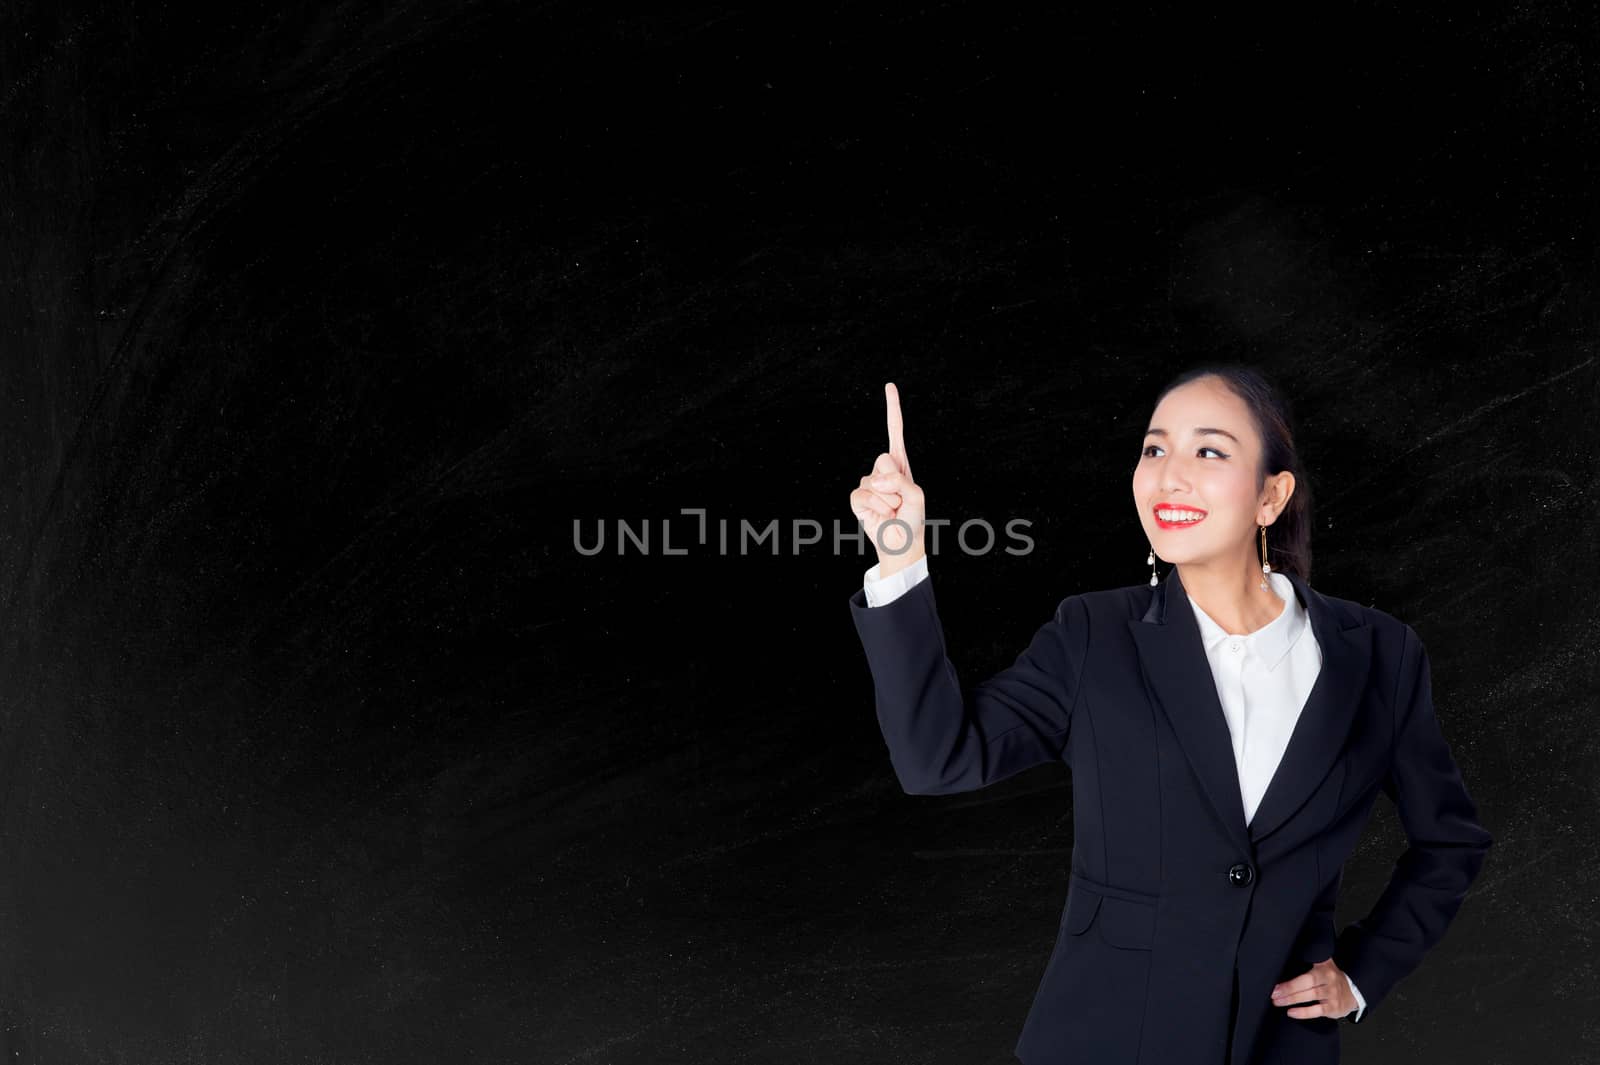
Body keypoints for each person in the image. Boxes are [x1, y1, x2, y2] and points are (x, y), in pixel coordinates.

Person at [845, 368, 1493, 1065]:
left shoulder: (1379, 656)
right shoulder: (1093, 635)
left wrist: (1363, 972)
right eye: (1154, 450)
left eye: (1208, 451)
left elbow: (1449, 841)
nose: (1168, 477)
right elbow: (936, 756)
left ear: (1271, 495)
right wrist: (898, 553)